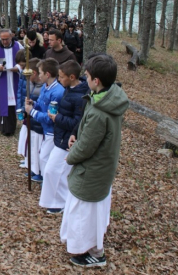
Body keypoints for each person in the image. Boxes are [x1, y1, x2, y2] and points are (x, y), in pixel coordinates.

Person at [60, 55, 129, 268]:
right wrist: (76, 135)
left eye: (87, 76)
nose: (85, 80)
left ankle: (94, 254)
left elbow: (87, 146)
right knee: (89, 211)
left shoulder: (101, 112)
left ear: (96, 81)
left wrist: (70, 155)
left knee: (84, 214)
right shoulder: (106, 97)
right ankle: (90, 246)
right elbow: (87, 132)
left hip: (92, 172)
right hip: (100, 170)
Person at [40, 60, 89, 214]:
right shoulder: (68, 89)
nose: (59, 80)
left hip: (68, 139)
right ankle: (54, 200)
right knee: (51, 170)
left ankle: (61, 202)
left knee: (56, 171)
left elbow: (77, 122)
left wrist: (56, 118)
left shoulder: (80, 96)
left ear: (72, 77)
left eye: (61, 77)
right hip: (61, 136)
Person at [24, 58, 65, 181]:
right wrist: (34, 103)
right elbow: (42, 105)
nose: (39, 75)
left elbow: (49, 117)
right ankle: (44, 178)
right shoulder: (45, 87)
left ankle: (48, 180)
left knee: (45, 157)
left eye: (40, 72)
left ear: (47, 74)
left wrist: (32, 111)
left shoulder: (57, 92)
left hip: (52, 131)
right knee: (42, 155)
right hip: (45, 130)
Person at [0, 28, 23, 136]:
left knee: (12, 106)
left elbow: (25, 61)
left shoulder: (18, 47)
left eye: (6, 39)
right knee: (3, 104)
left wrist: (18, 68)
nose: (4, 41)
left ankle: (11, 128)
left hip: (13, 81)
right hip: (1, 80)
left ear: (11, 37)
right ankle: (3, 127)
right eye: (2, 39)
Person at [16, 57, 44, 177]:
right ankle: (30, 164)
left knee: (37, 147)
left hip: (38, 121)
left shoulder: (42, 86)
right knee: (28, 142)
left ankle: (37, 170)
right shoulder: (31, 83)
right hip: (30, 118)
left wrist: (31, 109)